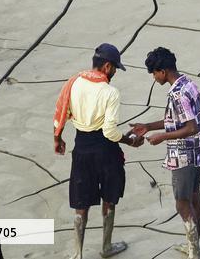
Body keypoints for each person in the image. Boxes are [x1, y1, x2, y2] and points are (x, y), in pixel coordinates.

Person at [53, 43, 142, 259]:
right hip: (105, 149)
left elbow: (61, 110)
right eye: (115, 69)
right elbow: (110, 131)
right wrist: (129, 141)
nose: (115, 74)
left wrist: (57, 137)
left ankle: (77, 253)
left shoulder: (74, 82)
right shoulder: (110, 92)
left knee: (81, 201)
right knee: (109, 196)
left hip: (81, 147)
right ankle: (106, 246)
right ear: (107, 66)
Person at [131, 47, 200, 259]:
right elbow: (179, 120)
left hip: (185, 154)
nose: (154, 78)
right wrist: (148, 126)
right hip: (199, 150)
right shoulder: (188, 83)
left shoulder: (177, 94)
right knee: (194, 197)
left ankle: (194, 252)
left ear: (162, 71)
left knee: (182, 202)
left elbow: (190, 127)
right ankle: (195, 246)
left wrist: (161, 137)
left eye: (154, 73)